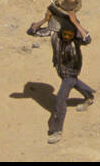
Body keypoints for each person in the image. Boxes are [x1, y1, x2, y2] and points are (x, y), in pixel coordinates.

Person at [26, 10, 94, 144]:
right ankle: (89, 96)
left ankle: (57, 130)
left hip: (72, 68)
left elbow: (87, 39)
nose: (67, 35)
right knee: (73, 82)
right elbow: (31, 31)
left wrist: (75, 22)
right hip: (61, 69)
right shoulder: (55, 33)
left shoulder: (76, 36)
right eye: (65, 33)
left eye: (70, 33)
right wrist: (44, 20)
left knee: (60, 99)